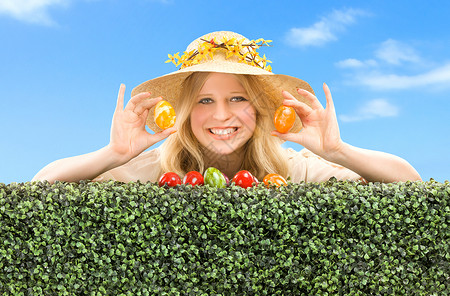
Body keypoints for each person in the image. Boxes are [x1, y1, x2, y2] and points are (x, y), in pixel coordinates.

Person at [33, 31, 421, 184]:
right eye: (205, 101)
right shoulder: (158, 170)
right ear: (184, 111)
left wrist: (338, 151)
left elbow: (410, 184)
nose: (221, 116)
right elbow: (41, 187)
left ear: (259, 108)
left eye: (238, 99)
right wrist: (112, 154)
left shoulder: (292, 169)